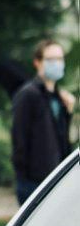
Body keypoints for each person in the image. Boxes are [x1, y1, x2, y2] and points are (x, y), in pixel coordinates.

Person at [12, 37, 74, 203]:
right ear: (37, 62)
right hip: (34, 183)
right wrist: (24, 180)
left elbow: (62, 141)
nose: (56, 63)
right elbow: (19, 140)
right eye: (50, 59)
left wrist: (68, 113)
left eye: (59, 59)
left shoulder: (60, 98)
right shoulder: (28, 94)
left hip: (57, 180)